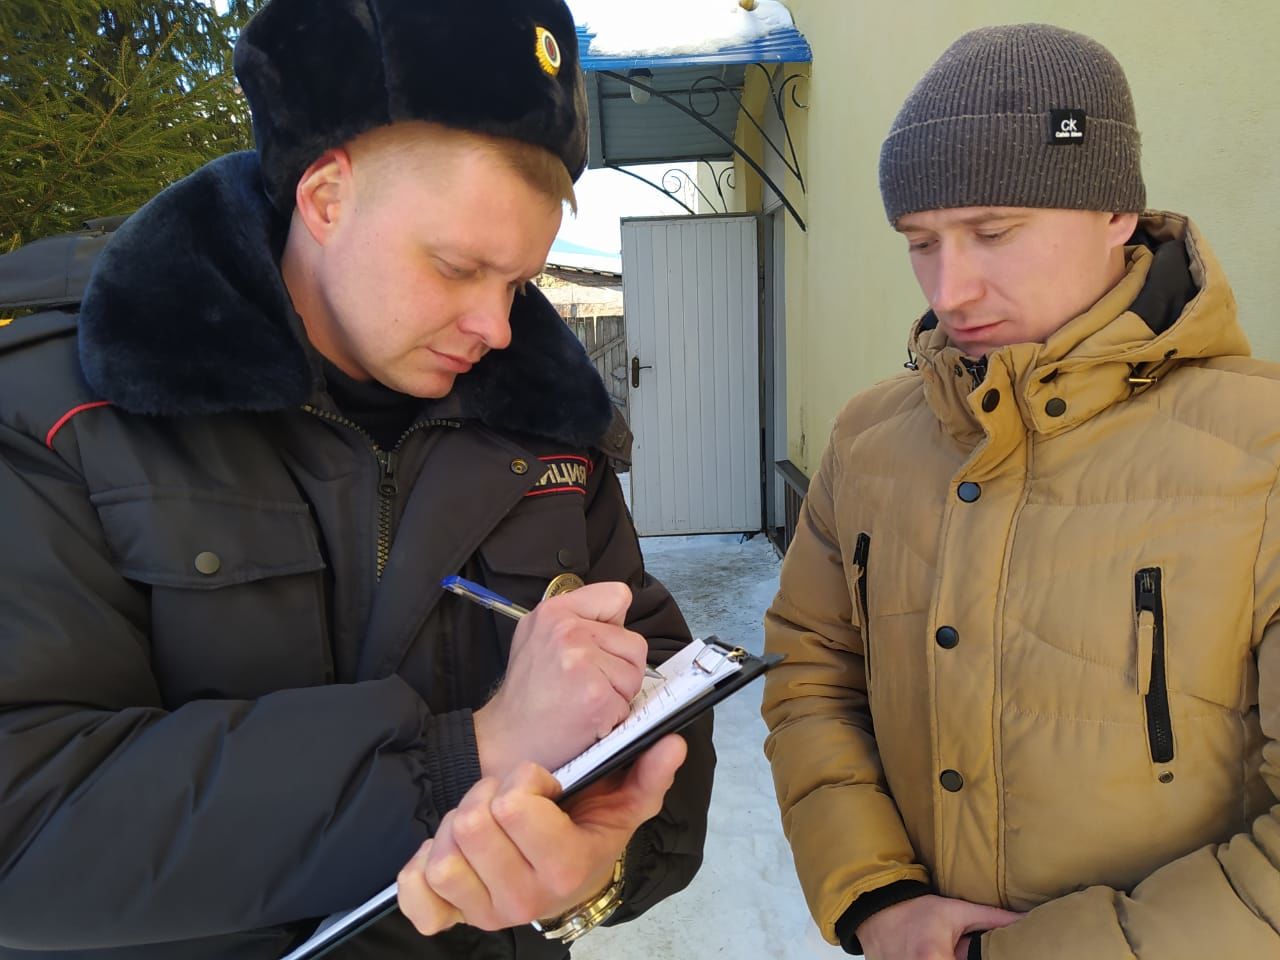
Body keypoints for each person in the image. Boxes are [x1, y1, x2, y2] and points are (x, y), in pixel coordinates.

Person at [0, 0, 715, 957]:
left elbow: (664, 698)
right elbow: (28, 818)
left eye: (517, 283)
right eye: (457, 267)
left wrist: (599, 869)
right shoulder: (68, 399)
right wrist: (470, 755)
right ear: (326, 198)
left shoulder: (549, 427)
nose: (497, 328)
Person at [761, 22, 1280, 960]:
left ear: (1116, 211)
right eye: (921, 243)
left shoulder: (1263, 452)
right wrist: (877, 898)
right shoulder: (869, 441)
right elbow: (811, 681)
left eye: (994, 232)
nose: (950, 289)